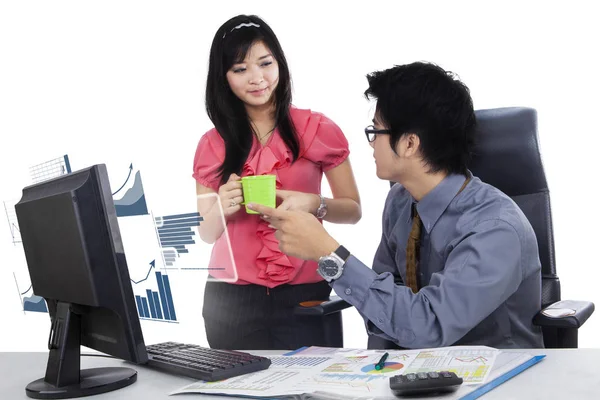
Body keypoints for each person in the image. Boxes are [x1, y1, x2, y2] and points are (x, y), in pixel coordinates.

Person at [249, 61, 545, 349]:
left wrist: (329, 254)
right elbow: (384, 300)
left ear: (409, 144)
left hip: (496, 376)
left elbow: (427, 325)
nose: (371, 143)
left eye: (375, 131)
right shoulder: (400, 201)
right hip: (417, 375)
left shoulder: (495, 229)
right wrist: (377, 371)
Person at [192, 14, 361, 350]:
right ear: (223, 78)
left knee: (312, 388)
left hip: (306, 290)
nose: (257, 78)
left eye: (265, 63)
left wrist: (315, 203)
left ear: (279, 63)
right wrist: (222, 208)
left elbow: (353, 210)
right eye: (240, 69)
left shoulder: (318, 128)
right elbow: (206, 233)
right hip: (229, 297)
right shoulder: (211, 144)